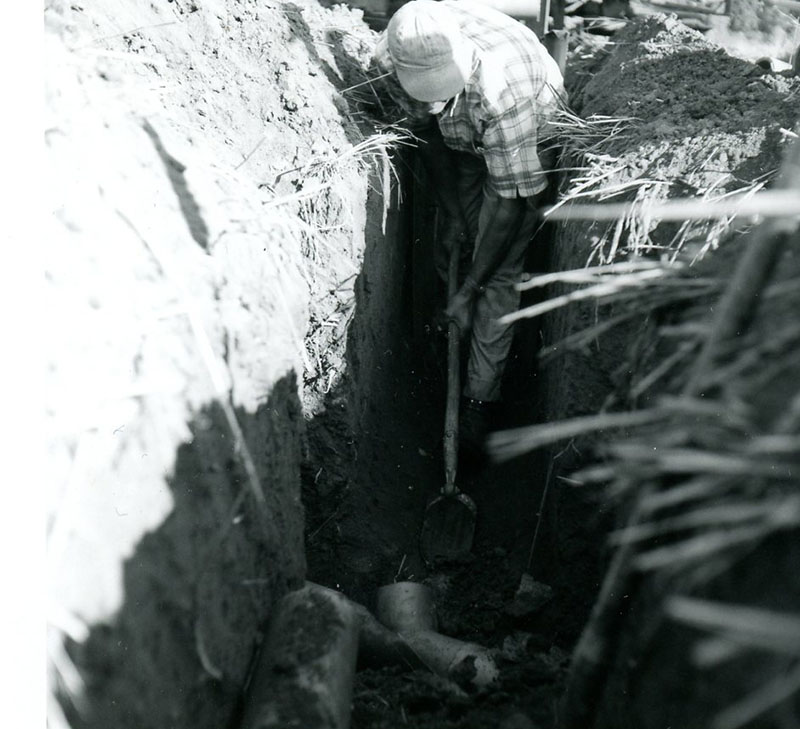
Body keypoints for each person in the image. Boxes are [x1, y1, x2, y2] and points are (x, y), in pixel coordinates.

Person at [373, 0, 566, 450]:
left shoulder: (505, 90)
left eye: (442, 86)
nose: (433, 95)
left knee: (498, 272)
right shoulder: (390, 58)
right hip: (465, 135)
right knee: (454, 242)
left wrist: (470, 289)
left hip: (528, 131)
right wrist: (453, 215)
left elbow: (509, 204)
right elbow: (426, 134)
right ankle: (451, 348)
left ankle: (480, 399)